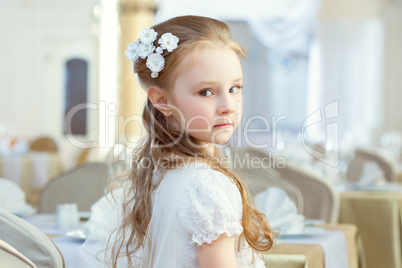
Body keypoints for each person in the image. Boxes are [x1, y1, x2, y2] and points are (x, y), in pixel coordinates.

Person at [79, 15, 274, 268]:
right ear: (162, 100)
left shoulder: (161, 170)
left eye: (235, 88)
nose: (228, 106)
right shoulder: (207, 186)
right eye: (206, 92)